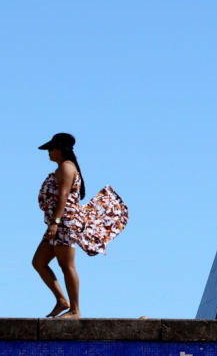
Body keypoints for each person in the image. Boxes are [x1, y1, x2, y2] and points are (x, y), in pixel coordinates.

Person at [32, 133, 129, 318]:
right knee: (39, 262)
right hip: (60, 223)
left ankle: (75, 310)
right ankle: (62, 301)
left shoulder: (67, 168)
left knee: (67, 265)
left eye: (51, 149)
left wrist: (55, 223)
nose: (48, 153)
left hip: (64, 223)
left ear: (59, 149)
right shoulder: (63, 167)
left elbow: (63, 196)